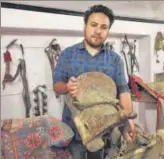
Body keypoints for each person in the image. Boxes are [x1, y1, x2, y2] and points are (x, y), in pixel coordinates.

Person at [53, 4, 136, 159]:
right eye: (94, 25)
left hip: (105, 128)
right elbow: (57, 86)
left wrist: (128, 119)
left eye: (104, 27)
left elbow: (123, 90)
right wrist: (66, 86)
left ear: (108, 31)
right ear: (85, 26)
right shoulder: (68, 54)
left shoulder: (115, 59)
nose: (98, 31)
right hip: (75, 126)